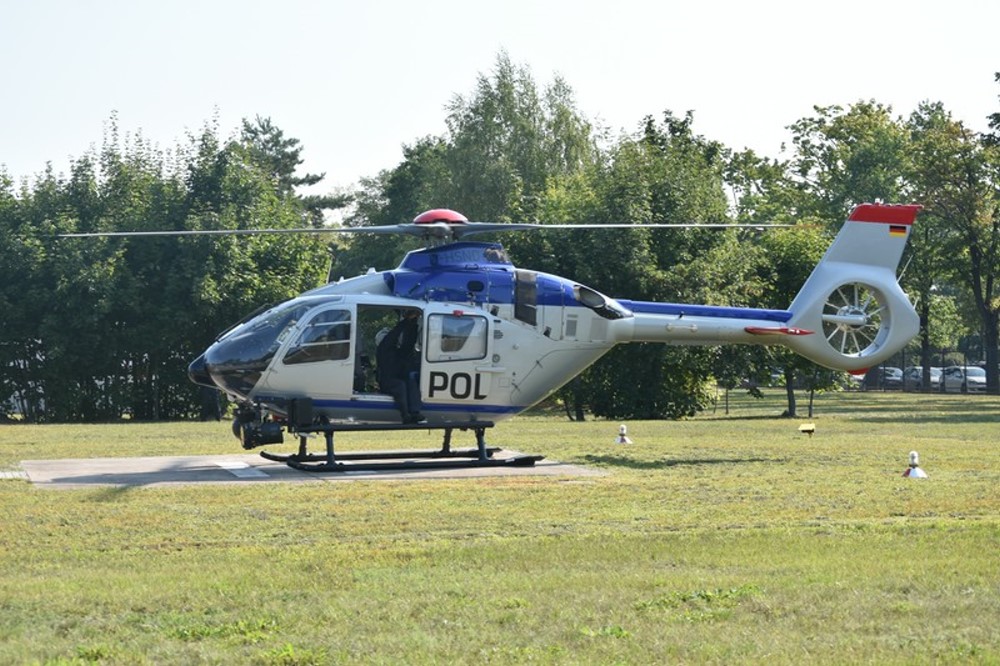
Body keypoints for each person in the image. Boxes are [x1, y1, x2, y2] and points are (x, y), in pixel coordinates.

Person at [375, 310, 426, 424]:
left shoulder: (396, 351)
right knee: (400, 385)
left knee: (411, 381)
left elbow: (409, 344)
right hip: (386, 382)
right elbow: (392, 337)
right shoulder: (383, 350)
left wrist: (414, 322)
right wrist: (406, 321)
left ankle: (415, 412)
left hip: (397, 379)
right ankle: (405, 415)